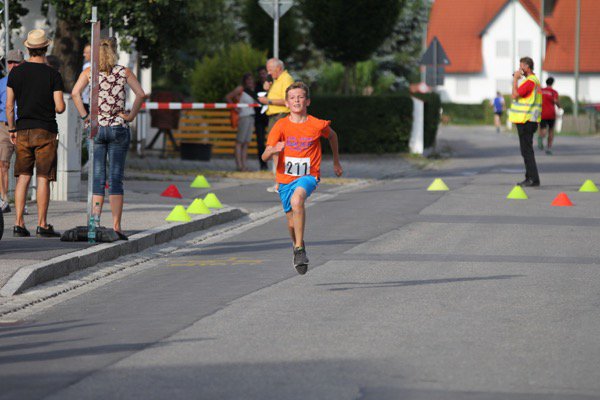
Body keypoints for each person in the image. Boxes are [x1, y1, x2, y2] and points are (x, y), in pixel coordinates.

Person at [261, 82, 343, 275]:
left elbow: (332, 136)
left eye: (300, 97)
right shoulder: (280, 125)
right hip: (285, 178)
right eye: (292, 98)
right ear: (287, 104)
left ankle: (299, 249)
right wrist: (274, 149)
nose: (296, 100)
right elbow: (264, 155)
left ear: (307, 101)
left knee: (297, 200)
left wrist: (336, 162)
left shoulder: (316, 124)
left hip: (308, 175)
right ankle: (298, 244)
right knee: (291, 222)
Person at [71, 38, 145, 240]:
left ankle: (94, 225)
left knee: (97, 178)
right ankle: (117, 226)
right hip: (118, 128)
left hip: (97, 128)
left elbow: (75, 93)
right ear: (114, 52)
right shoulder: (124, 72)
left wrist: (86, 117)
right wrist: (130, 116)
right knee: (115, 178)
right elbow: (140, 94)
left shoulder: (89, 73)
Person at [7, 29, 66, 237]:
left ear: (28, 48)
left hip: (22, 130)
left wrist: (12, 128)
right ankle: (42, 224)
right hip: (46, 131)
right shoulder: (53, 74)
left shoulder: (15, 73)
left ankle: (18, 223)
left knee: (23, 176)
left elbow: (9, 105)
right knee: (43, 177)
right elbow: (60, 107)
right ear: (46, 48)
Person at [258, 58, 294, 192]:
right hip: (274, 116)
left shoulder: (286, 79)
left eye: (270, 70)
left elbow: (287, 100)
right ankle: (280, 181)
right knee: (275, 149)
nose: (268, 72)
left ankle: (282, 182)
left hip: (281, 115)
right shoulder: (276, 79)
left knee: (277, 149)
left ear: (278, 68)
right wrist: (267, 88)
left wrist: (268, 100)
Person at [509, 56, 542, 187]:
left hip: (526, 120)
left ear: (527, 67)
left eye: (521, 66)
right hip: (530, 120)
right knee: (526, 151)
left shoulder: (530, 82)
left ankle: (533, 179)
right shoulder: (534, 81)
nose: (519, 68)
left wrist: (515, 79)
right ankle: (530, 178)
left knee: (527, 151)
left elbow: (514, 95)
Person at [0, 50, 24, 213]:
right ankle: (3, 200)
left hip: (23, 125)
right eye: (10, 62)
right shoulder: (1, 83)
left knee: (23, 167)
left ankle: (21, 202)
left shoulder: (29, 81)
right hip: (4, 126)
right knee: (3, 164)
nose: (13, 65)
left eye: (16, 62)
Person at [225, 73, 256, 171]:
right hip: (243, 117)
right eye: (248, 79)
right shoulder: (240, 89)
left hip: (251, 116)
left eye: (251, 79)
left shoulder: (252, 90)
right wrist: (235, 107)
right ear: (245, 80)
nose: (250, 81)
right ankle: (239, 165)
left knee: (246, 143)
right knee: (239, 142)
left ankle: (244, 165)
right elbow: (228, 97)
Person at [539, 77, 561, 155]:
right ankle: (548, 148)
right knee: (551, 131)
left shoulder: (541, 91)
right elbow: (555, 101)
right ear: (552, 83)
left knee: (543, 129)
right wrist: (559, 106)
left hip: (542, 114)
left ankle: (540, 138)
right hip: (551, 114)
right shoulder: (554, 92)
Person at [254, 66, 269, 171]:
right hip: (259, 117)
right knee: (260, 141)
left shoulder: (272, 85)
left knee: (274, 141)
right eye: (261, 74)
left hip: (270, 115)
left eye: (264, 73)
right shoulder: (256, 86)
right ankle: (263, 164)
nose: (262, 75)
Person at [81, 44, 91, 113]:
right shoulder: (86, 66)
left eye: (86, 52)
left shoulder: (87, 66)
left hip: (87, 100)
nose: (84, 55)